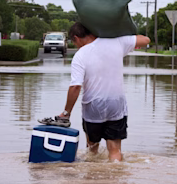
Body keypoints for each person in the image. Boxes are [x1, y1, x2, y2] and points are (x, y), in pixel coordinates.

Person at [57, 22, 150, 161]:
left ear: (76, 38)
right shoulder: (117, 42)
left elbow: (76, 86)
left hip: (93, 106)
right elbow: (146, 40)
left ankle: (93, 177)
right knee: (114, 149)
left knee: (92, 149)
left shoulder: (80, 55)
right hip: (116, 104)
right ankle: (116, 172)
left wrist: (66, 113)